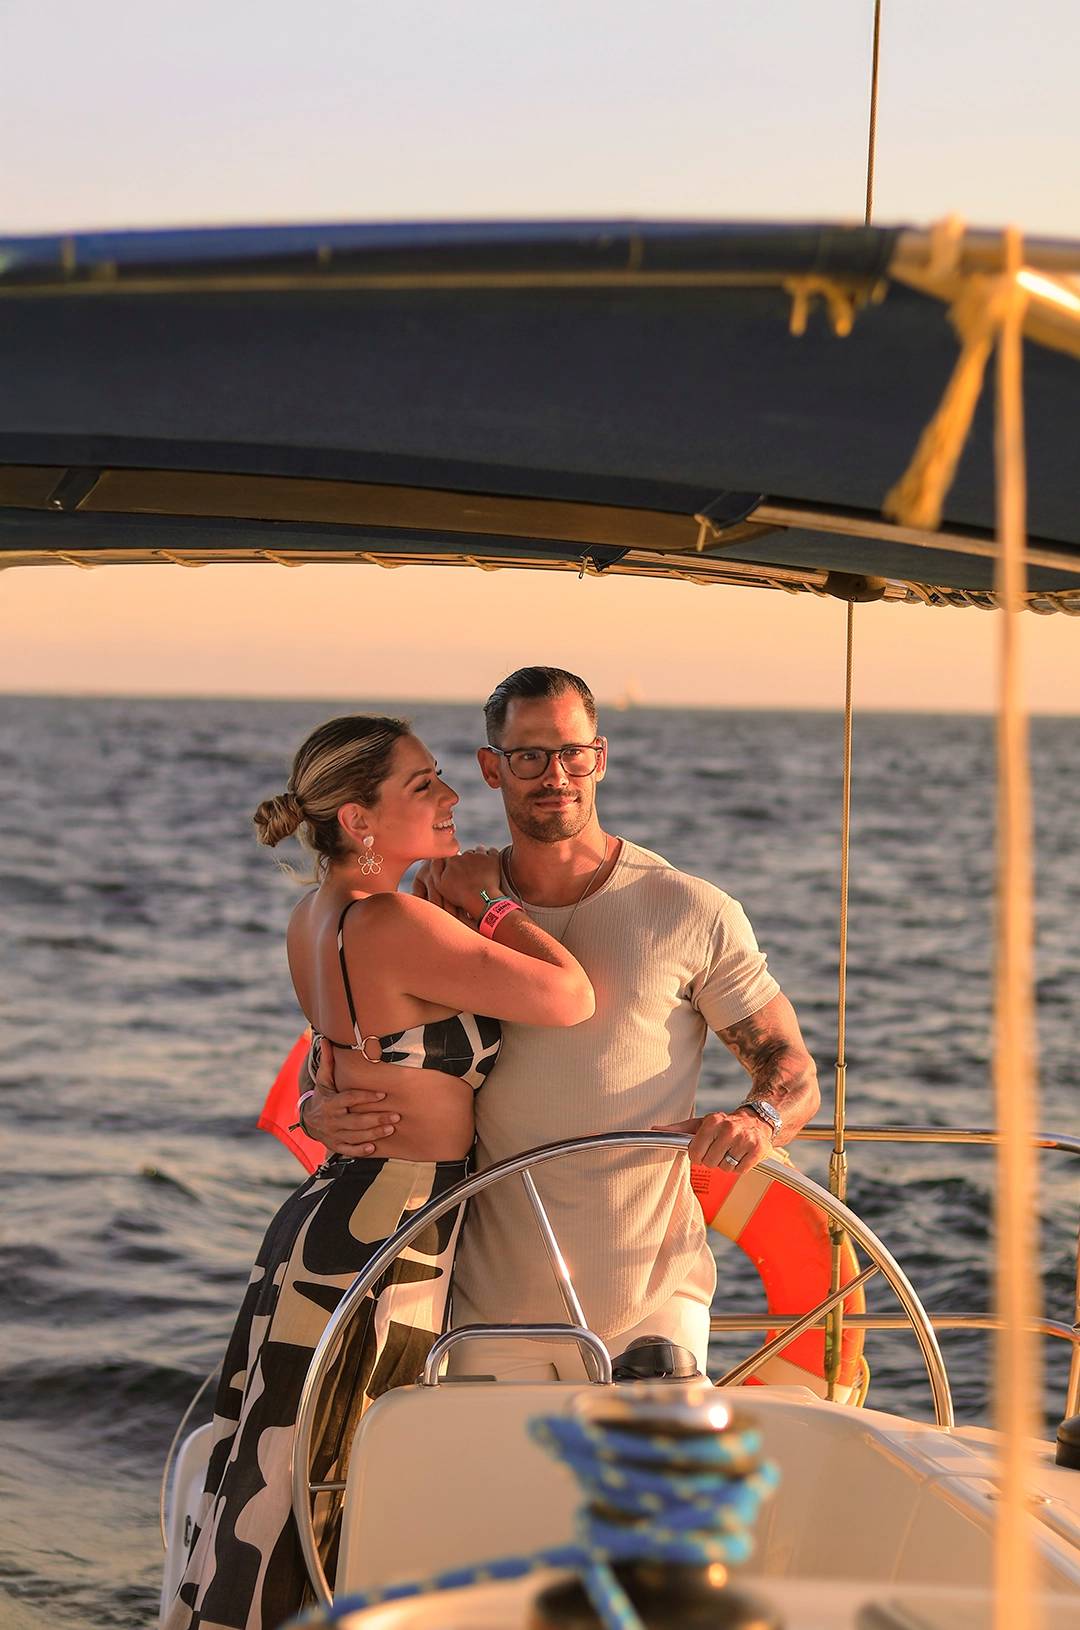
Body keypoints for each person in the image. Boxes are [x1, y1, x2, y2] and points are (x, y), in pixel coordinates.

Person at [165, 713, 592, 1630]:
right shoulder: (394, 918)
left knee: (279, 1471)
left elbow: (338, 1059)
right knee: (323, 1475)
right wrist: (495, 903)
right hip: (384, 1228)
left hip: (338, 1213)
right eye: (423, 786)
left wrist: (321, 1103)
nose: (448, 799)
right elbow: (569, 997)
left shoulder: (319, 914)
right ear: (359, 820)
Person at [305, 668, 820, 1380]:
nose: (555, 775)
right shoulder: (442, 905)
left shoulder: (689, 909)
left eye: (573, 752)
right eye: (529, 756)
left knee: (666, 1490)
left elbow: (791, 1068)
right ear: (492, 768)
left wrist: (758, 1117)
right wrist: (319, 1103)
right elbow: (367, 1036)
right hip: (483, 1307)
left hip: (650, 1299)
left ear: (599, 758)